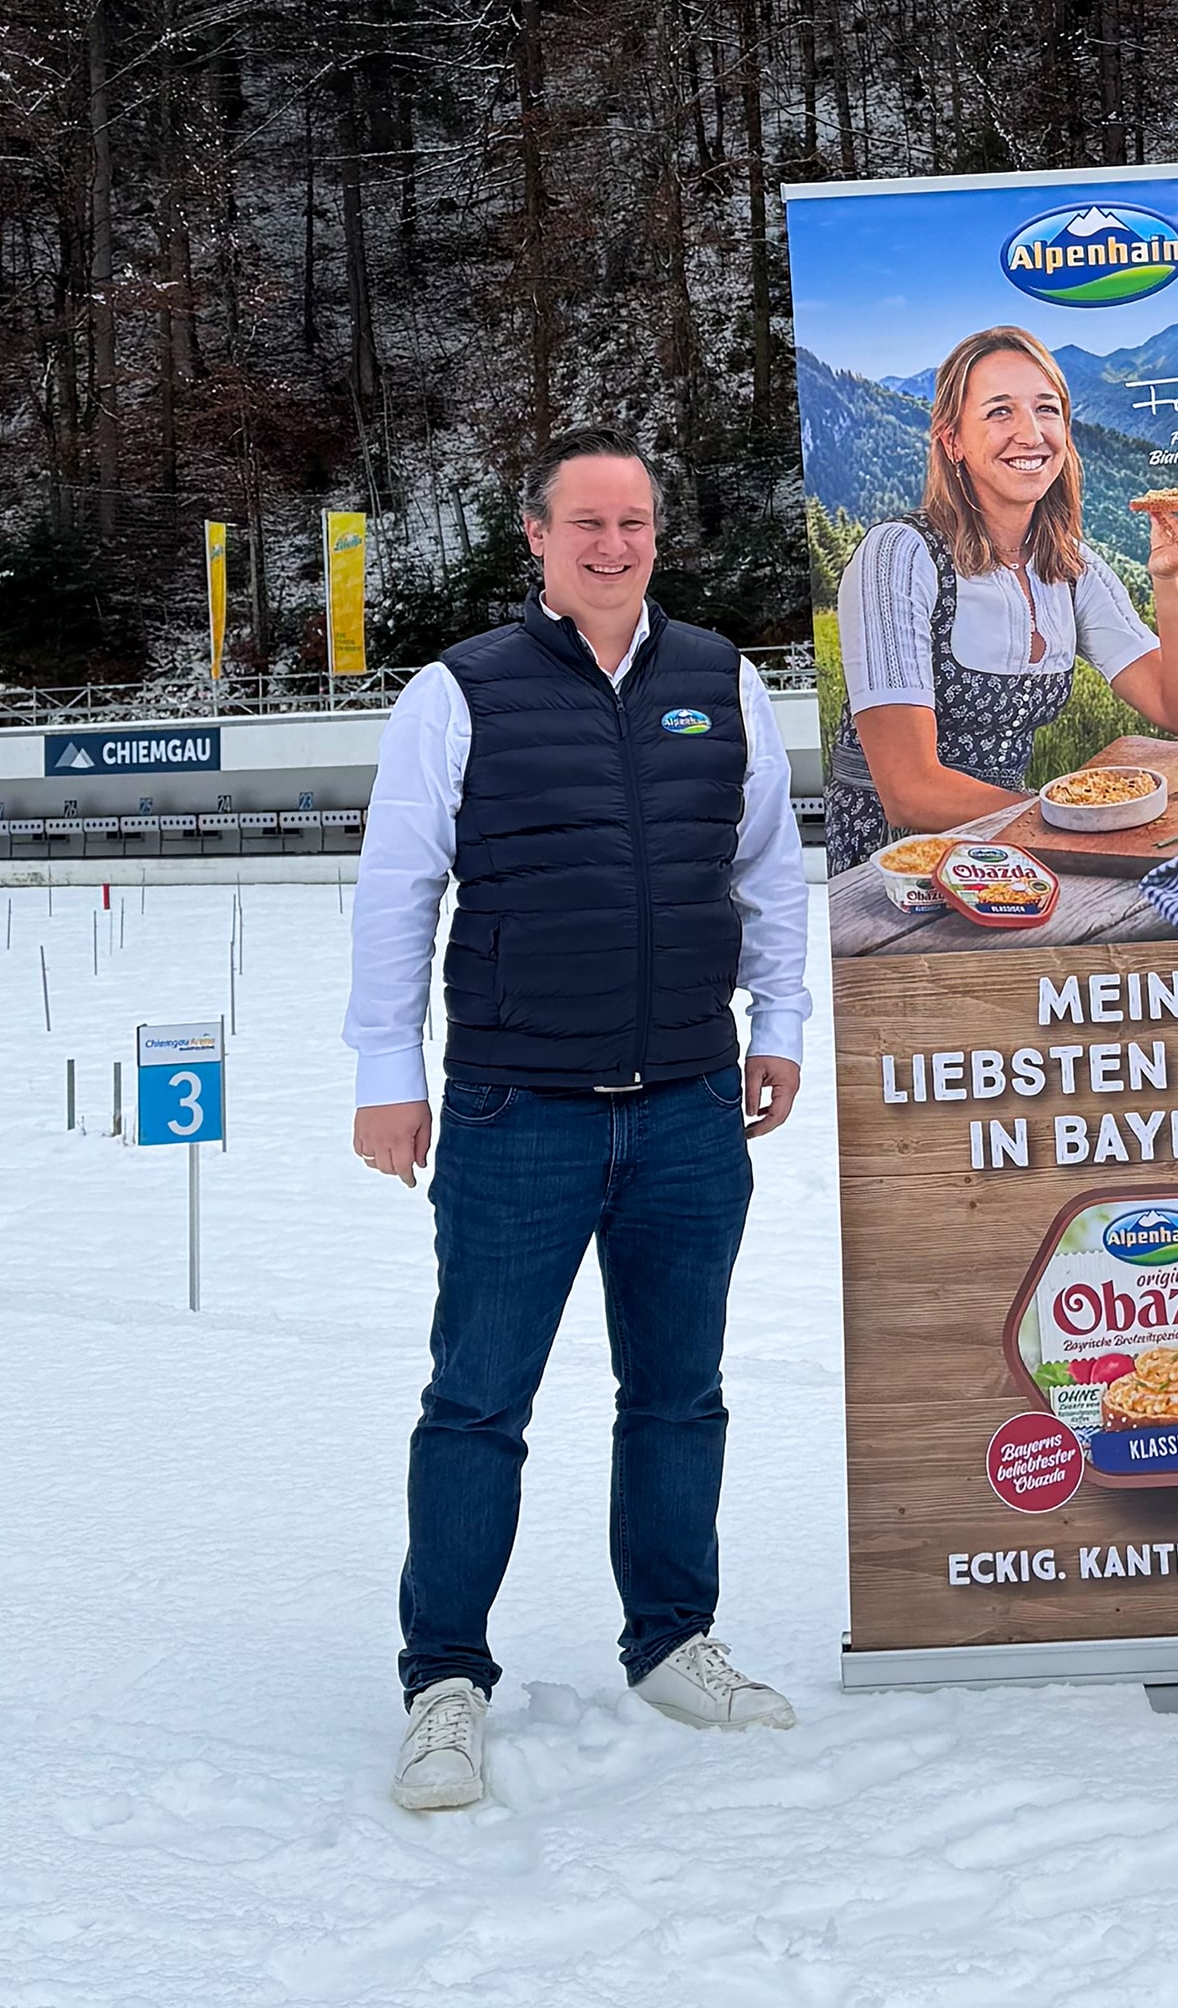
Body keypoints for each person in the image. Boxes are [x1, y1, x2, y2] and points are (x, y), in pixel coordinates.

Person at [344, 425, 813, 1811]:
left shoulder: (719, 680)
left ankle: (672, 1639)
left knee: (679, 1395)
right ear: (535, 538)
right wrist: (389, 1068)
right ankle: (442, 1679)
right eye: (585, 523)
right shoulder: (458, 691)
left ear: (658, 536)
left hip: (684, 1105)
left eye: (635, 523)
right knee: (478, 1402)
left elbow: (770, 873)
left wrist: (776, 1026)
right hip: (515, 1108)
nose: (612, 545)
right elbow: (396, 890)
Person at [825, 323, 1178, 874]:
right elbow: (909, 791)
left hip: (1013, 844)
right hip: (895, 865)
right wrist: (1076, 823)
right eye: (999, 412)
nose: (1031, 432)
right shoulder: (898, 556)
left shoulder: (1069, 562)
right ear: (953, 441)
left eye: (1047, 408)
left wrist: (1169, 576)